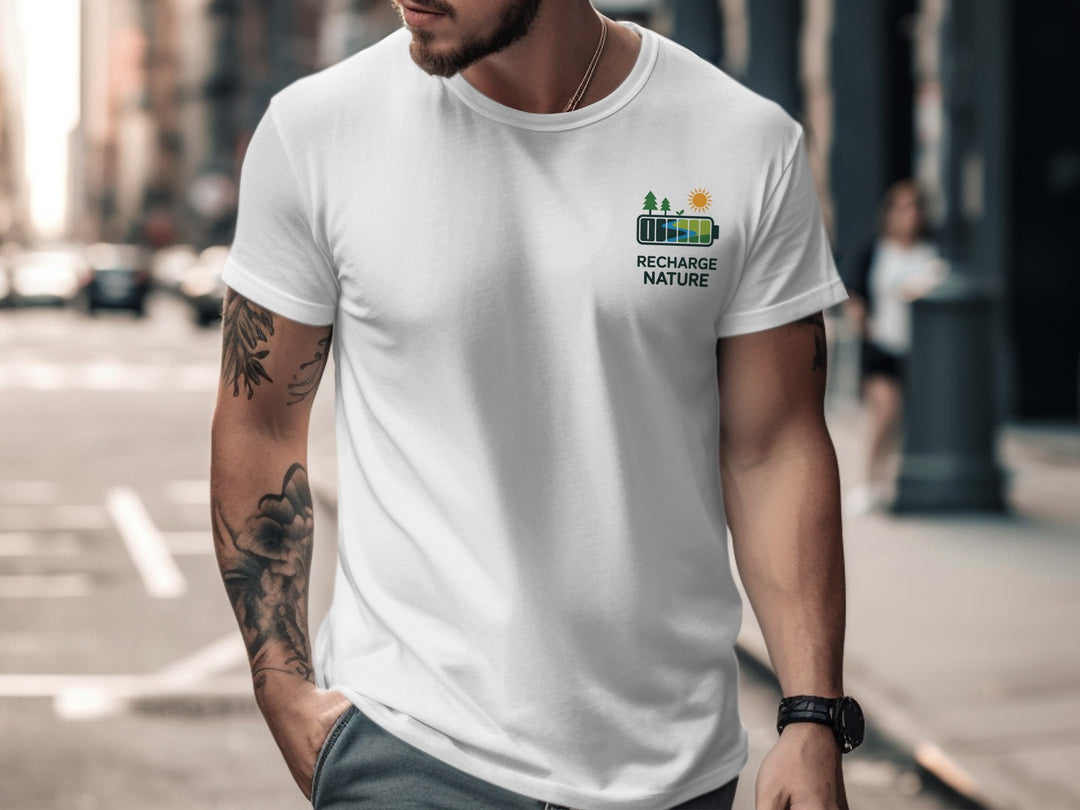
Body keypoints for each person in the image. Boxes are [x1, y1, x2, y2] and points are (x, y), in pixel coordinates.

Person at [209, 2, 861, 808]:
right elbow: (262, 420)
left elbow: (776, 447)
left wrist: (811, 718)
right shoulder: (316, 132)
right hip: (407, 751)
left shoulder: (743, 143)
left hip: (674, 771)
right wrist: (284, 692)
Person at [841, 181, 942, 514]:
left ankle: (891, 481)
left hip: (920, 351)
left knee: (906, 421)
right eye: (900, 207)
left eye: (914, 207)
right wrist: (862, 323)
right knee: (885, 411)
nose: (907, 215)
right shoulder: (875, 250)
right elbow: (853, 291)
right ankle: (869, 482)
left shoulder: (932, 254)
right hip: (880, 344)